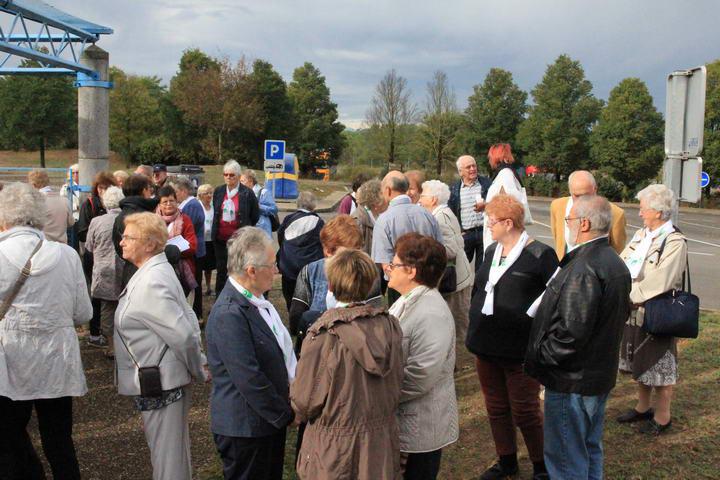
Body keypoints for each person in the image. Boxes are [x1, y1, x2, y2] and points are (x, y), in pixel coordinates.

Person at [524, 195, 631, 480]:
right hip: (596, 375)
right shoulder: (613, 261)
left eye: (568, 220)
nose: (566, 226)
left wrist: (541, 356)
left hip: (572, 381)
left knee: (566, 457)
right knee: (588, 447)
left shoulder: (584, 268)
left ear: (584, 224)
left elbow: (570, 333)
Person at [0, 182, 92, 480]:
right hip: (56, 358)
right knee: (59, 441)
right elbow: (83, 313)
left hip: (10, 359)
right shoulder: (67, 255)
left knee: (9, 439)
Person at [466, 194, 558, 480]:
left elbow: (554, 299)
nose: (488, 225)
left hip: (520, 350)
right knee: (496, 408)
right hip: (486, 346)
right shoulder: (493, 250)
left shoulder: (540, 255)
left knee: (526, 411)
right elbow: (480, 288)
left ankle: (542, 466)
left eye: (491, 221)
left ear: (508, 223)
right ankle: (506, 460)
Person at [291, 248, 404, 480]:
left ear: (330, 285)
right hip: (378, 445)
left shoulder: (324, 336)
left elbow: (305, 401)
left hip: (334, 449)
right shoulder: (390, 327)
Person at [115, 212, 207, 480]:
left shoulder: (152, 280)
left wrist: (198, 368)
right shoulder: (153, 271)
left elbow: (183, 335)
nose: (121, 242)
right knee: (170, 455)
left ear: (150, 244)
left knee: (169, 460)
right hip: (160, 380)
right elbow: (186, 319)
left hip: (163, 383)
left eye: (128, 237)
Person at [207, 227, 295, 480]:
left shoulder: (255, 301)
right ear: (251, 271)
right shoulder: (229, 314)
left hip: (263, 424)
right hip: (246, 428)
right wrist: (284, 414)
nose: (277, 271)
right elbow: (249, 377)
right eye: (272, 265)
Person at [386, 233, 459, 480]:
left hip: (419, 429)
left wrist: (381, 395)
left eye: (394, 264)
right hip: (405, 423)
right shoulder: (408, 301)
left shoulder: (431, 313)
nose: (388, 268)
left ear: (411, 271)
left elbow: (421, 376)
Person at [617, 184, 686, 435]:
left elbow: (663, 279)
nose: (639, 213)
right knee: (641, 359)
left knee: (660, 362)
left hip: (657, 312)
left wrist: (631, 295)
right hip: (635, 310)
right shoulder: (642, 234)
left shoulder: (675, 241)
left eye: (643, 208)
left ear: (658, 212)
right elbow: (623, 261)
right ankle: (643, 407)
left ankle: (663, 416)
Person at [289, 215, 382, 344]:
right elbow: (296, 322)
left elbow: (376, 318)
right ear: (329, 251)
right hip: (320, 346)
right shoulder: (309, 272)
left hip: (358, 344)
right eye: (349, 251)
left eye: (359, 249)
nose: (356, 257)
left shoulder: (368, 272)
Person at [372, 171, 442, 306]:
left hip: (399, 288)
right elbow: (440, 251)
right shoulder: (427, 215)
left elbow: (385, 264)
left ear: (388, 190)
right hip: (428, 283)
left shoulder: (384, 220)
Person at [418, 180, 474, 348]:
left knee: (456, 324)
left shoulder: (440, 217)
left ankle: (458, 355)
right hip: (459, 276)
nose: (419, 199)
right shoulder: (443, 213)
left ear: (433, 199)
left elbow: (450, 249)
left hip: (454, 279)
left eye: (423, 196)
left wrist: (426, 250)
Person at [76, 171, 117, 348]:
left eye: (106, 187)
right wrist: (99, 229)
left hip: (109, 255)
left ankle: (108, 330)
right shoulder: (89, 204)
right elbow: (82, 232)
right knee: (96, 293)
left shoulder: (115, 204)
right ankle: (94, 331)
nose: (103, 190)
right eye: (100, 187)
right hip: (93, 254)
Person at [85, 186, 125, 358]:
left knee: (107, 308)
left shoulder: (97, 222)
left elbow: (89, 247)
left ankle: (111, 345)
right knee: (126, 306)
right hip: (125, 268)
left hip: (103, 269)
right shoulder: (128, 219)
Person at [550, 170, 627, 260]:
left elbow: (618, 252)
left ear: (595, 189)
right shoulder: (558, 206)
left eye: (586, 195)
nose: (581, 200)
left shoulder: (615, 213)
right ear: (570, 191)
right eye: (576, 196)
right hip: (566, 266)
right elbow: (557, 239)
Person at [212, 160, 260, 296]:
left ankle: (238, 298)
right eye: (226, 174)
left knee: (238, 270)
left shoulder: (247, 193)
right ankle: (220, 299)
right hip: (221, 239)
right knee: (221, 271)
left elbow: (255, 216)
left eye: (232, 175)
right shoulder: (219, 191)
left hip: (240, 241)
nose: (228, 177)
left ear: (238, 176)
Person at [278, 191, 324, 310]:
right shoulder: (318, 222)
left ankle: (292, 316)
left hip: (288, 266)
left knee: (290, 298)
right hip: (308, 268)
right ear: (314, 205)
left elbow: (280, 237)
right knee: (307, 300)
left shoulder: (288, 219)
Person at [483, 144, 532, 253]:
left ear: (496, 157)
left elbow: (508, 205)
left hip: (502, 235)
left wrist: (485, 206)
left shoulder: (505, 175)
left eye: (490, 157)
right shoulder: (506, 173)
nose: (489, 160)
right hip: (501, 233)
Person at [113, 173, 159, 287]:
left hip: (129, 271)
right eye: (149, 189)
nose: (151, 193)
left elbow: (118, 247)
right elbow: (155, 246)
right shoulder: (145, 216)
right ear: (144, 190)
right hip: (147, 272)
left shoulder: (120, 216)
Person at [171, 176, 206, 319]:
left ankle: (197, 315)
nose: (174, 196)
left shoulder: (191, 205)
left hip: (194, 251)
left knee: (194, 284)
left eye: (176, 192)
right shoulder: (189, 204)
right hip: (191, 249)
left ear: (184, 191)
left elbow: (186, 227)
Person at [448, 155, 491, 265]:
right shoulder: (453, 189)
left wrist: (486, 205)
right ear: (460, 172)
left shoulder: (487, 184)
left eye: (474, 166)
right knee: (462, 267)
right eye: (468, 167)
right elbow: (450, 213)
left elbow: (497, 203)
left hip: (484, 232)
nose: (472, 169)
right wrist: (458, 231)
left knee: (482, 268)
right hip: (465, 234)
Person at [157, 185, 198, 297]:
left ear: (176, 202)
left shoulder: (185, 220)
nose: (169, 204)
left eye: (171, 201)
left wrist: (172, 251)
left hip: (182, 268)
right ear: (159, 205)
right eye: (165, 202)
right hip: (160, 269)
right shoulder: (154, 221)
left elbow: (192, 246)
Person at [27, 168, 75, 244]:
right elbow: (71, 223)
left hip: (42, 246)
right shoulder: (65, 201)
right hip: (62, 246)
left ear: (33, 185)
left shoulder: (35, 203)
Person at [351, 178, 387, 255]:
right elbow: (354, 251)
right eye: (384, 194)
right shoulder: (358, 219)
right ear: (376, 198)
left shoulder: (377, 214)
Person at [240, 169, 278, 238]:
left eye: (242, 181)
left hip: (263, 232)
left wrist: (258, 206)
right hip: (248, 231)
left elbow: (274, 209)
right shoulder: (243, 194)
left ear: (250, 181)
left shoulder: (263, 192)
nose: (240, 184)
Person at [197, 183, 216, 296]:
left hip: (211, 240)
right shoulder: (197, 206)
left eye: (210, 193)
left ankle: (208, 287)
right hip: (201, 240)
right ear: (200, 195)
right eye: (206, 193)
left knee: (209, 266)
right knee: (200, 265)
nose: (209, 195)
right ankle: (199, 287)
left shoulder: (214, 206)